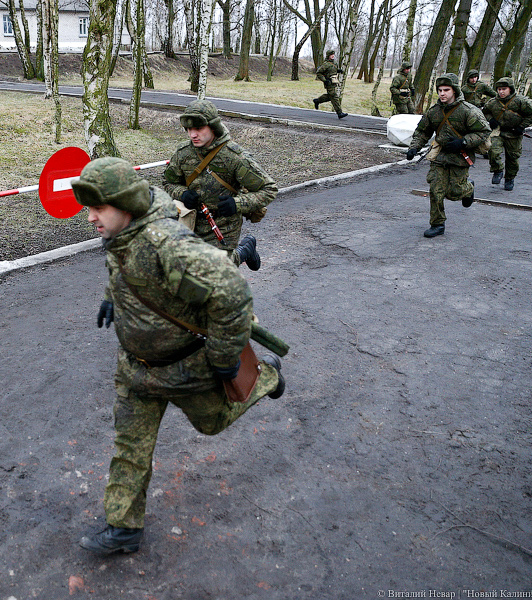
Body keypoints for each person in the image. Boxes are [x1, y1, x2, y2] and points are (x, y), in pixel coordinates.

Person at [72, 157, 285, 555]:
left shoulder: (166, 244)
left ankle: (267, 375)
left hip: (184, 368)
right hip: (136, 370)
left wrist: (224, 356)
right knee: (129, 448)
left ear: (126, 206)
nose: (90, 219)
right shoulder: (121, 236)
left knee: (212, 423)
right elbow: (127, 272)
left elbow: (231, 293)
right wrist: (111, 298)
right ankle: (123, 528)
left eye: (98, 208)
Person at [162, 99, 278, 271]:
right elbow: (168, 182)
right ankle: (244, 251)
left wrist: (236, 204)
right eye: (189, 129)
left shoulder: (234, 157)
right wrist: (182, 194)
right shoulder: (183, 153)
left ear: (213, 127)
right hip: (190, 221)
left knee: (217, 270)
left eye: (199, 129)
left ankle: (244, 250)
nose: (193, 134)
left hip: (224, 225)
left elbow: (269, 190)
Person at [405, 73, 491, 238]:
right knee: (436, 191)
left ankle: (468, 188)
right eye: (439, 90)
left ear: (455, 91)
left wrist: (463, 142)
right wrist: (414, 148)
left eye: (446, 90)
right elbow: (423, 131)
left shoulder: (468, 111)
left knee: (454, 192)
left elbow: (484, 132)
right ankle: (437, 224)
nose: (442, 93)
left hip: (460, 156)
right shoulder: (434, 112)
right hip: (439, 156)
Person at [482, 76, 532, 191]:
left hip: (514, 133)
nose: (501, 92)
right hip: (498, 132)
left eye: (504, 89)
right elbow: (485, 112)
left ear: (510, 89)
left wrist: (522, 126)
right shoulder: (493, 102)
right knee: (492, 150)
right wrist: (491, 120)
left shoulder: (521, 101)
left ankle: (509, 178)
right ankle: (497, 170)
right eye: (499, 89)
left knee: (512, 158)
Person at [313, 50, 348, 119]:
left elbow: (332, 70)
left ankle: (317, 101)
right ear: (328, 56)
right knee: (334, 96)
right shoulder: (325, 64)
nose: (333, 56)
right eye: (331, 55)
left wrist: (338, 70)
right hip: (328, 82)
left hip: (334, 82)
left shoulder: (334, 63)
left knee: (330, 96)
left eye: (333, 55)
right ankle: (339, 113)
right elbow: (318, 73)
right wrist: (325, 80)